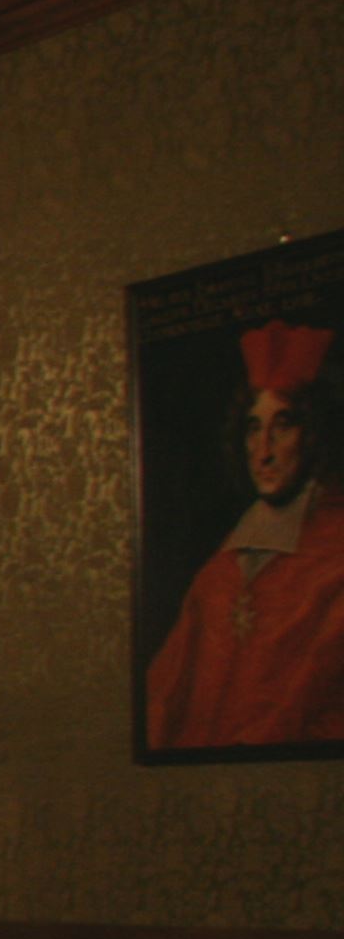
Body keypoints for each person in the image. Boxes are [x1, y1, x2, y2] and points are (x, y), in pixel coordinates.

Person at [145, 318, 344, 750]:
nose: (263, 452)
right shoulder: (217, 575)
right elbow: (164, 702)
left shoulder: (337, 561)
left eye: (283, 425)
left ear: (314, 436)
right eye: (254, 428)